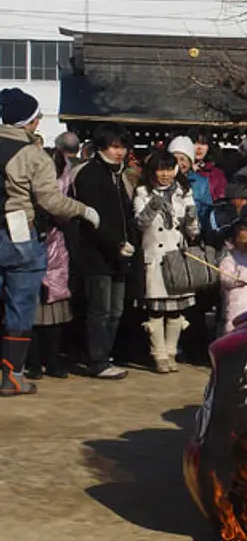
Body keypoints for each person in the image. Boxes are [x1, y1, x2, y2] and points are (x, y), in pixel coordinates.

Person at [0, 89, 100, 394]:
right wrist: (84, 210)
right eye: (36, 116)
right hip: (19, 233)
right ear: (28, 122)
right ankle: (12, 376)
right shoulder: (33, 155)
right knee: (19, 306)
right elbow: (51, 202)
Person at [70, 126, 136, 380]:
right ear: (101, 147)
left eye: (122, 146)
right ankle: (97, 360)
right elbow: (92, 220)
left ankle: (105, 355)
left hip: (121, 255)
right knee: (100, 310)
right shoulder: (89, 174)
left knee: (116, 310)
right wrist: (116, 243)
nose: (119, 151)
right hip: (97, 255)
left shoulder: (120, 175)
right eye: (114, 146)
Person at [134, 151, 201, 374]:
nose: (165, 174)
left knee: (175, 311)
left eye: (169, 169)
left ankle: (171, 352)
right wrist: (153, 205)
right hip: (154, 255)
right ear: (152, 171)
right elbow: (140, 224)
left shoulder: (184, 193)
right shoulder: (142, 192)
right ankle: (158, 355)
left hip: (176, 257)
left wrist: (192, 219)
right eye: (160, 169)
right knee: (155, 310)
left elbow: (193, 232)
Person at [28, 147, 80, 380]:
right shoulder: (27, 188)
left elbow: (68, 216)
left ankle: (53, 358)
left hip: (58, 254)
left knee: (55, 314)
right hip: (31, 252)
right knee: (30, 312)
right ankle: (32, 361)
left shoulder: (67, 189)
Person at [217, 219, 247, 336]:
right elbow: (226, 280)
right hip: (237, 310)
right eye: (242, 239)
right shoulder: (228, 260)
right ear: (234, 241)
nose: (246, 242)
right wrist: (245, 275)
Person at [168, 136, 213, 235]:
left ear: (190, 161)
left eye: (183, 159)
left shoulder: (201, 182)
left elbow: (207, 211)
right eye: (175, 159)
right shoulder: (163, 180)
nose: (179, 164)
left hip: (192, 234)